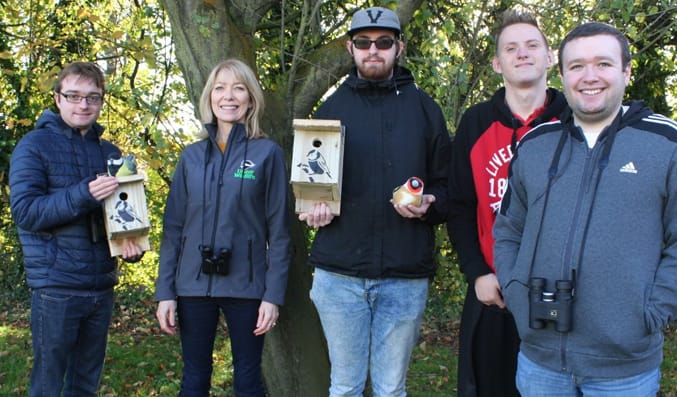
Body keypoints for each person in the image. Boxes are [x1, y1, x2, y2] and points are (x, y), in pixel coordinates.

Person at [494, 22, 677, 396]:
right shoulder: (535, 145)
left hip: (623, 370)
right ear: (560, 74)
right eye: (576, 66)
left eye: (603, 64)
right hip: (540, 362)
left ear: (626, 71)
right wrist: (515, 289)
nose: (589, 77)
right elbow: (509, 228)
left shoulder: (667, 144)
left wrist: (651, 312)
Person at [298, 6, 451, 397]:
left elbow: (450, 189)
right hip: (339, 275)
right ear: (350, 48)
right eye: (364, 42)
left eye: (383, 42)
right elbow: (308, 188)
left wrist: (430, 203)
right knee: (345, 387)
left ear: (399, 47)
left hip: (404, 276)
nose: (373, 50)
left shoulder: (425, 110)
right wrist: (311, 209)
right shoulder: (329, 112)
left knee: (390, 389)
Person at [447, 9, 567, 397]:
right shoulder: (477, 122)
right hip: (493, 290)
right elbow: (460, 205)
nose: (522, 54)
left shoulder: (574, 120)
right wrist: (477, 272)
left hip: (561, 293)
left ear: (550, 57)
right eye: (511, 48)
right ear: (498, 63)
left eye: (532, 45)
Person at [155, 59, 291, 396]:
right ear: (209, 98)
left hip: (246, 287)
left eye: (238, 88)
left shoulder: (266, 154)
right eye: (220, 88)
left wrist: (272, 296)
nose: (228, 96)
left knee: (247, 379)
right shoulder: (190, 157)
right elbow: (173, 229)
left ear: (251, 98)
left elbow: (280, 231)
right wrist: (165, 292)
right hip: (192, 286)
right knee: (194, 377)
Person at [9, 61, 144, 396]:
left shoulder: (111, 153)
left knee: (85, 384)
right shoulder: (33, 145)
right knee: (48, 383)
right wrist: (83, 194)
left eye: (93, 98)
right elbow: (26, 212)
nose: (84, 105)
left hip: (100, 286)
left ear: (101, 101)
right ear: (58, 98)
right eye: (74, 96)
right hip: (57, 286)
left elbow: (124, 214)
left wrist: (131, 247)